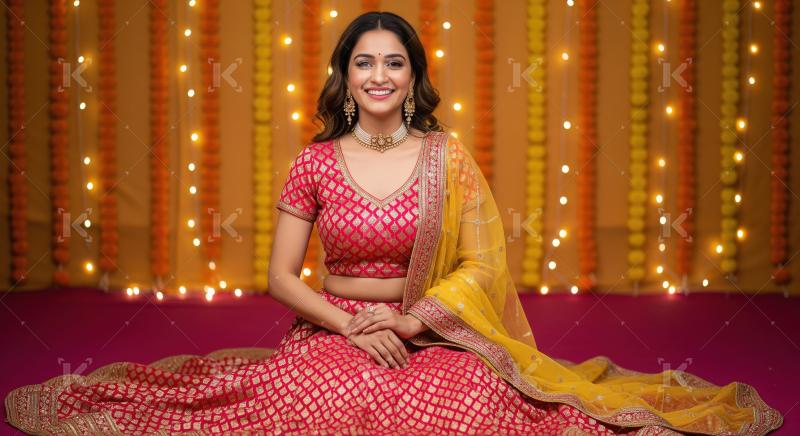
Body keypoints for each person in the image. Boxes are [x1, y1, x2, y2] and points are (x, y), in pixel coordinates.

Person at [5, 11, 782, 435]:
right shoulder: (313, 160)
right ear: (345, 76)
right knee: (316, 409)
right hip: (332, 330)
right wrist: (349, 326)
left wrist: (409, 323)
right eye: (364, 62)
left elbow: (482, 268)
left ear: (413, 77)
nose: (379, 76)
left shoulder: (448, 155)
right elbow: (279, 278)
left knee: (474, 405)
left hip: (430, 330)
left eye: (395, 62)